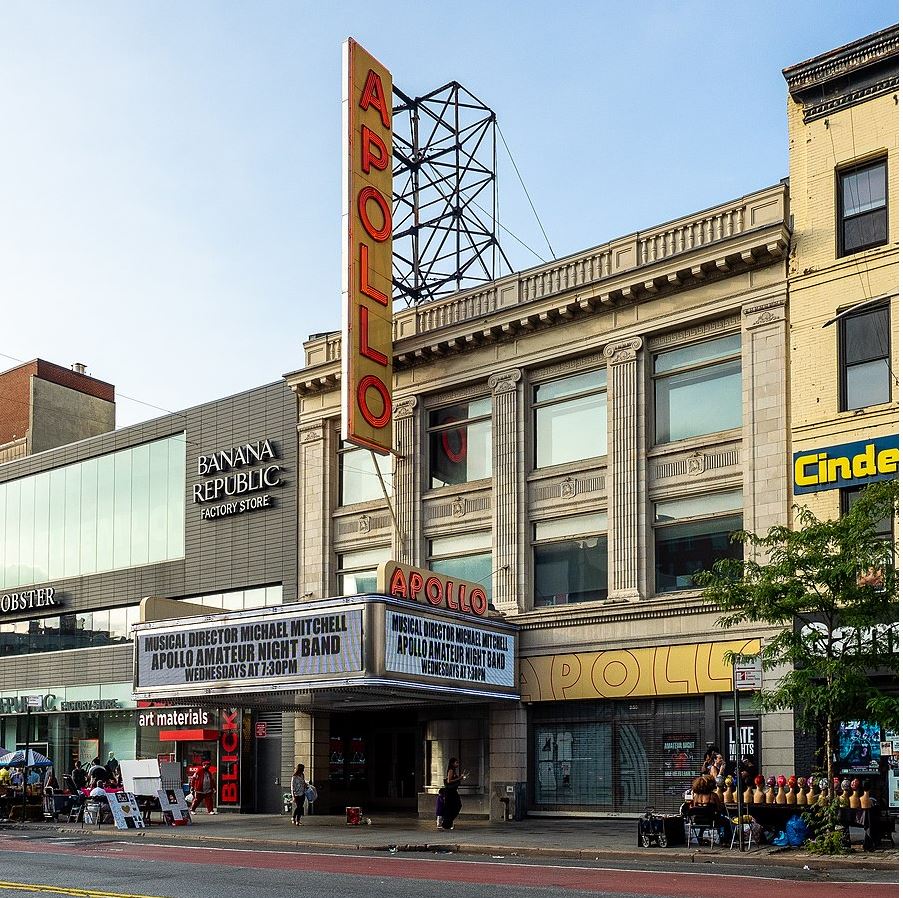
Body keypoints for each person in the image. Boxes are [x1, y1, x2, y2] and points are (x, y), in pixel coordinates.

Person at [681, 774, 730, 844]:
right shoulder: (713, 795)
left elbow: (694, 808)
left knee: (703, 815)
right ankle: (724, 840)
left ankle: (700, 838)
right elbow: (719, 808)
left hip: (698, 820)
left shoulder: (696, 796)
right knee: (726, 821)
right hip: (711, 820)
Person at [439, 758, 467, 831]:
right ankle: (446, 823)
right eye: (456, 763)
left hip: (453, 791)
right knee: (452, 806)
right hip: (450, 792)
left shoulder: (454, 771)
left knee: (455, 806)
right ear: (452, 763)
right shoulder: (451, 770)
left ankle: (448, 822)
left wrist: (460, 778)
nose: (457, 764)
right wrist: (459, 778)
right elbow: (449, 781)